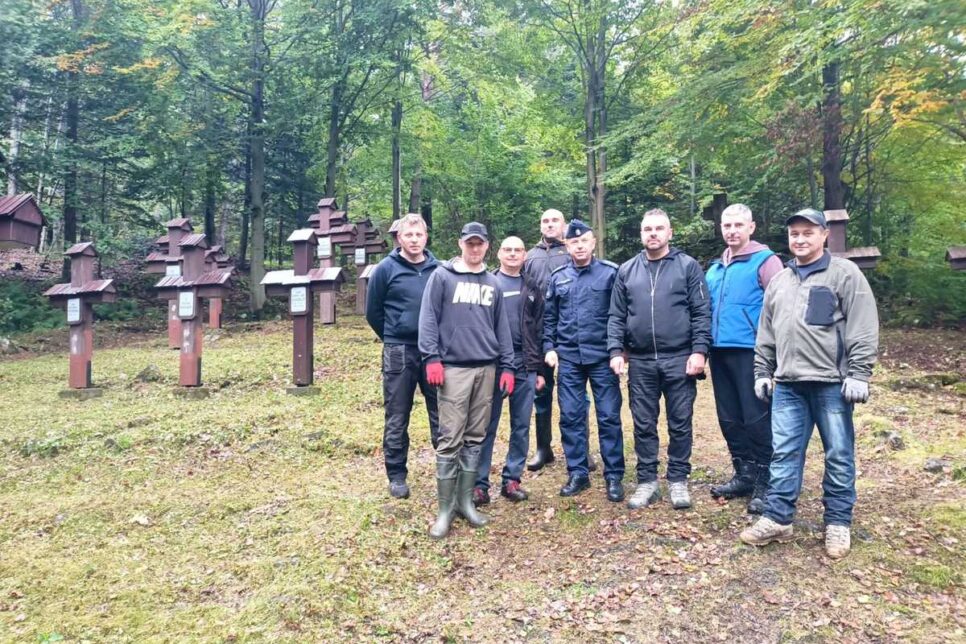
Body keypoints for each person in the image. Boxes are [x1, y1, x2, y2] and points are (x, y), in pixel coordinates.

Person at [741, 208, 878, 559]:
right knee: (784, 453)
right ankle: (778, 517)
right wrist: (762, 370)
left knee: (839, 454)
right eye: (794, 234)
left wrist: (859, 373)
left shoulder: (844, 274)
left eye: (807, 233)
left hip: (832, 384)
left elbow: (863, 326)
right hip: (787, 385)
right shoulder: (780, 281)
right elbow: (766, 332)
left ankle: (837, 522)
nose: (799, 240)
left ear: (823, 235)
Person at [607, 209, 711, 511]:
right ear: (641, 233)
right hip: (639, 361)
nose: (652, 233)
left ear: (670, 232)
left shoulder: (688, 266)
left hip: (679, 358)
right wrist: (616, 350)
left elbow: (702, 312)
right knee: (643, 423)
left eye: (659, 228)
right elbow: (616, 314)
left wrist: (699, 350)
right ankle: (647, 480)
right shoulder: (627, 270)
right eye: (647, 229)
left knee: (680, 422)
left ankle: (678, 478)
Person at [419, 222, 516, 539]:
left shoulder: (493, 283)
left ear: (487, 246)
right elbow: (428, 318)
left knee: (476, 437)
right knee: (450, 438)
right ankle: (445, 509)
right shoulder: (442, 277)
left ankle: (465, 501)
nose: (474, 249)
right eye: (469, 243)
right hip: (454, 369)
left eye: (480, 244)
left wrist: (507, 366)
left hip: (486, 369)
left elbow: (502, 328)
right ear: (461, 244)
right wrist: (431, 358)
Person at [705, 204, 784, 513]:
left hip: (752, 352)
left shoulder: (766, 262)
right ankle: (744, 473)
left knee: (756, 417)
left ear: (751, 227)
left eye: (738, 225)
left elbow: (781, 307)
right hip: (719, 351)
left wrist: (774, 355)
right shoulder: (715, 268)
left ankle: (768, 480)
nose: (732, 231)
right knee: (729, 417)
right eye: (727, 225)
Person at [543, 219, 625, 502]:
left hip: (602, 358)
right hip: (569, 359)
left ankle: (614, 474)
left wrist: (619, 351)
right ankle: (578, 472)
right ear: (566, 245)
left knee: (609, 416)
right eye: (573, 242)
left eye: (584, 241)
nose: (579, 245)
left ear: (593, 242)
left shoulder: (610, 274)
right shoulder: (558, 277)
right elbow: (549, 318)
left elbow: (620, 315)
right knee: (571, 417)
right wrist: (549, 347)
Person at [365, 213, 440, 500]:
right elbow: (373, 312)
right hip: (398, 351)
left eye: (419, 235)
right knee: (397, 414)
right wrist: (394, 335)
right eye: (408, 235)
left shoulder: (438, 269)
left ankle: (447, 468)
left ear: (425, 237)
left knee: (440, 412)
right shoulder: (385, 269)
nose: (414, 240)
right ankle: (396, 475)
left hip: (432, 352)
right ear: (399, 238)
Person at [475, 236, 545, 505]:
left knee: (520, 426)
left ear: (525, 255)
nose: (513, 254)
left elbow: (539, 329)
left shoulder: (532, 287)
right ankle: (479, 484)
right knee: (486, 426)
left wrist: (538, 370)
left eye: (518, 250)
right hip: (492, 364)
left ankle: (512, 479)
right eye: (508, 250)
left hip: (524, 364)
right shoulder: (487, 283)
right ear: (498, 254)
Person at [523, 208, 571, 471]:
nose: (550, 224)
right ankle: (543, 448)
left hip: (570, 333)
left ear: (563, 225)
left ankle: (578, 448)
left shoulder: (573, 250)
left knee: (574, 395)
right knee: (541, 392)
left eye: (555, 220)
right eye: (545, 221)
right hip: (539, 335)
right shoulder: (530, 257)